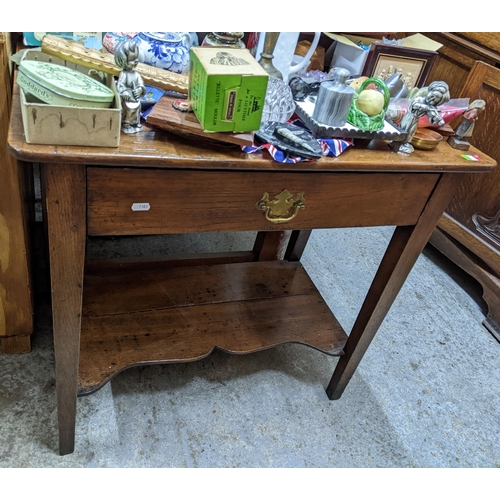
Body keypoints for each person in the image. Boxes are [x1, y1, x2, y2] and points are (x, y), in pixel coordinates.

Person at [392, 80, 450, 154]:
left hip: (415, 120)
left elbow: (430, 117)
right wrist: (427, 108)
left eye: (435, 100)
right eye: (432, 96)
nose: (432, 99)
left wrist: (436, 118)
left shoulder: (430, 107)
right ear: (429, 92)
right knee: (403, 129)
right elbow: (415, 105)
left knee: (411, 132)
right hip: (408, 117)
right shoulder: (419, 99)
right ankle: (396, 141)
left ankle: (405, 143)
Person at [114, 40, 146, 134]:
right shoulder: (123, 74)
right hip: (127, 98)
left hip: (135, 98)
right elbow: (120, 85)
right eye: (132, 59)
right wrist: (124, 92)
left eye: (136, 58)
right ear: (123, 61)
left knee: (138, 107)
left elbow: (141, 84)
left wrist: (140, 90)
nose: (135, 61)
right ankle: (126, 123)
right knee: (128, 109)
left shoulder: (136, 74)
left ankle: (136, 123)